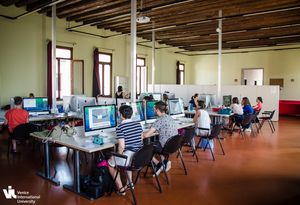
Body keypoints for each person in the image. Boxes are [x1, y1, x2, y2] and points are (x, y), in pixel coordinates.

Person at [108, 105, 143, 196]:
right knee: (128, 158)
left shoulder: (120, 127)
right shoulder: (138, 124)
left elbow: (121, 147)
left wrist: (119, 157)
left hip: (129, 157)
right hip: (139, 156)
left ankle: (121, 188)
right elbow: (141, 140)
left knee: (110, 163)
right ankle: (130, 183)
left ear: (120, 115)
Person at [142, 101, 178, 176]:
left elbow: (146, 135)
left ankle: (158, 164)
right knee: (155, 142)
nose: (153, 110)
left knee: (145, 147)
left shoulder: (159, 120)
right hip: (173, 145)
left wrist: (138, 134)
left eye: (154, 108)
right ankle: (165, 161)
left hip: (165, 147)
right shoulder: (169, 117)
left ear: (157, 110)